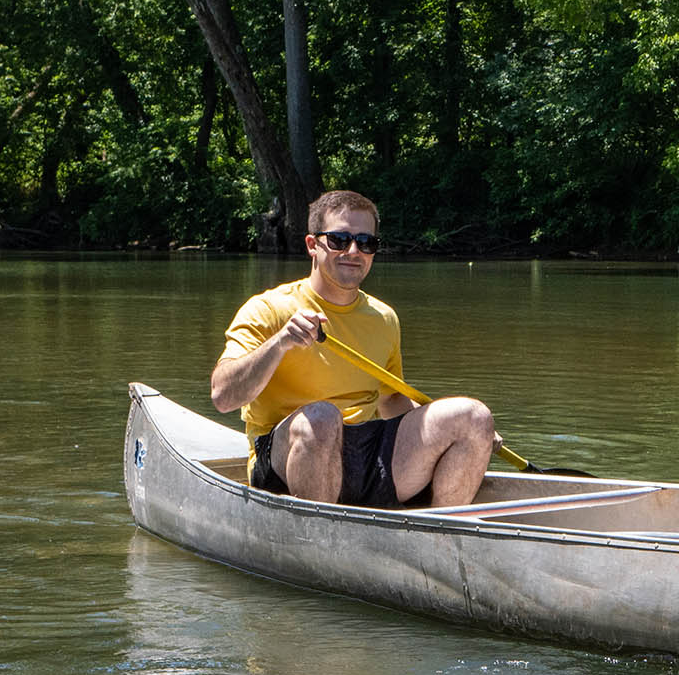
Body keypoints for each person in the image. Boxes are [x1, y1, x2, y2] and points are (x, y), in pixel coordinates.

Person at [210, 189, 497, 509]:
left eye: (366, 242)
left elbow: (391, 400)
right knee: (321, 418)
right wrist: (281, 342)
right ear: (312, 245)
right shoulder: (267, 309)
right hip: (286, 458)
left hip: (366, 455)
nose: (353, 250)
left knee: (474, 416)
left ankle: (442, 536)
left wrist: (466, 436)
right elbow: (223, 397)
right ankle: (315, 539)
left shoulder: (384, 318)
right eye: (338, 239)